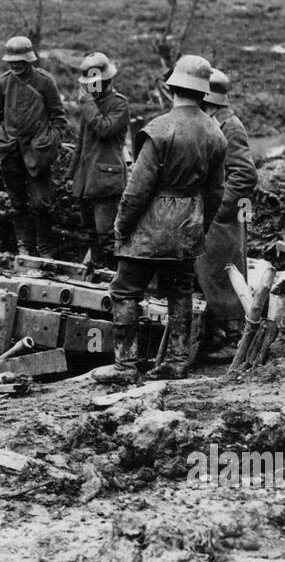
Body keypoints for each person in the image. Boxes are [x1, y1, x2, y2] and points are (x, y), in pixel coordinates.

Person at [92, 55, 226, 383]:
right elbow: (216, 191)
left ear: (173, 88)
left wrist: (122, 226)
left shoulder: (158, 129)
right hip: (187, 226)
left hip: (150, 227)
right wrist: (199, 227)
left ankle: (125, 366)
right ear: (203, 92)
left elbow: (138, 189)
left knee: (125, 291)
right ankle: (177, 362)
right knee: (180, 290)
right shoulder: (216, 132)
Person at [0, 35, 66, 257]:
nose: (16, 66)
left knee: (42, 203)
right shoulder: (2, 83)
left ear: (29, 60)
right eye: (12, 62)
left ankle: (45, 248)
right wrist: (2, 138)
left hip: (38, 152)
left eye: (20, 61)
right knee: (18, 203)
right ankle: (24, 246)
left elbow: (59, 117)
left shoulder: (45, 81)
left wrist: (50, 141)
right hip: (11, 152)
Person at [195, 68, 258, 353]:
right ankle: (215, 336)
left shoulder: (230, 126)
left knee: (224, 278)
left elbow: (245, 174)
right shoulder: (211, 121)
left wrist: (219, 210)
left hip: (221, 219)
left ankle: (233, 340)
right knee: (209, 278)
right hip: (208, 215)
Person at [66, 52, 129, 269]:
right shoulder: (90, 105)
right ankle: (98, 267)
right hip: (86, 179)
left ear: (107, 80)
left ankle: (113, 275)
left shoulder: (119, 104)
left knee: (107, 233)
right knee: (90, 230)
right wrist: (70, 174)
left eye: (96, 83)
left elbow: (105, 129)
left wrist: (88, 103)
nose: (92, 88)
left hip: (106, 179)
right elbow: (81, 144)